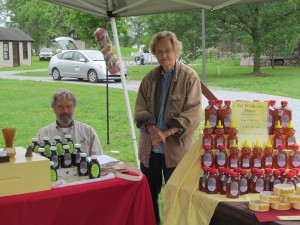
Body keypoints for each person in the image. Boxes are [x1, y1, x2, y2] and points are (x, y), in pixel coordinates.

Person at [134, 31, 202, 225]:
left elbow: (193, 113)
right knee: (149, 196)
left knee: (176, 197)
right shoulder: (149, 78)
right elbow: (140, 108)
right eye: (159, 51)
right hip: (151, 150)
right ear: (154, 53)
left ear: (176, 50)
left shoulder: (189, 77)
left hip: (177, 151)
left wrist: (169, 132)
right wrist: (153, 129)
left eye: (168, 50)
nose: (164, 55)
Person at [36, 88, 103, 156]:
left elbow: (99, 158)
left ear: (74, 108)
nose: (65, 111)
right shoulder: (43, 134)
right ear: (53, 109)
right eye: (60, 107)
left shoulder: (88, 131)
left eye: (69, 106)